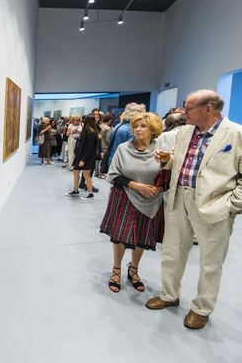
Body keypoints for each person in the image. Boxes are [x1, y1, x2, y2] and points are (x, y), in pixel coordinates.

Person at [146, 90, 242, 330]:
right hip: (179, 198)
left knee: (210, 262)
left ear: (208, 109)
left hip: (214, 204)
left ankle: (201, 308)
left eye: (188, 108)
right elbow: (178, 162)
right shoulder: (185, 132)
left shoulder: (236, 133)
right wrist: (165, 161)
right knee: (172, 252)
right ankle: (169, 294)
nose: (183, 112)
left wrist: (232, 204)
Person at [100, 112, 164, 293]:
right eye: (135, 126)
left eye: (143, 126)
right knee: (120, 235)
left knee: (141, 237)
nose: (138, 129)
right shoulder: (123, 148)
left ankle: (133, 270)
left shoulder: (161, 149)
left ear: (153, 129)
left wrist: (159, 187)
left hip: (150, 199)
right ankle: (116, 269)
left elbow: (167, 173)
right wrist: (137, 186)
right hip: (124, 196)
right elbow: (114, 174)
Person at [65, 115, 99, 199]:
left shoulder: (91, 132)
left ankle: (90, 193)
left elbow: (90, 148)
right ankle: (75, 189)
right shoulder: (86, 131)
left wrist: (83, 160)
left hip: (86, 157)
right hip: (80, 155)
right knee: (75, 171)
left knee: (86, 174)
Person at [107, 103, 146, 168]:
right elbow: (133, 150)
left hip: (113, 160)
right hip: (123, 163)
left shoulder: (118, 126)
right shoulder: (130, 129)